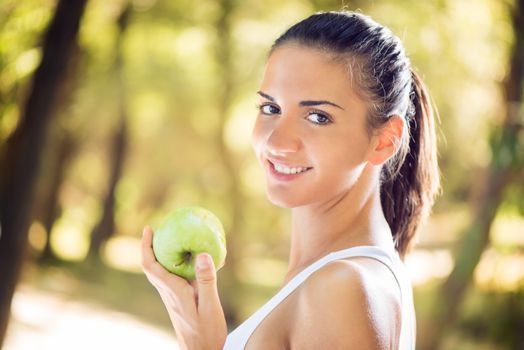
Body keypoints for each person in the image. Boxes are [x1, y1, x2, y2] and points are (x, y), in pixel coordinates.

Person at [141, 10, 440, 350]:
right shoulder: (339, 277)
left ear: (384, 140)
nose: (277, 142)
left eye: (318, 116)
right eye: (271, 108)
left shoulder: (342, 288)